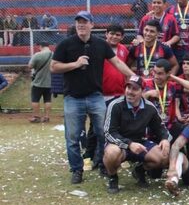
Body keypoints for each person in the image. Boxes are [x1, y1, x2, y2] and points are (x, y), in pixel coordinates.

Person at [50, 11, 135, 184]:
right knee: (72, 137)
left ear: (92, 25)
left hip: (96, 96)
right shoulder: (65, 44)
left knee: (105, 133)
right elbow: (54, 67)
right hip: (73, 97)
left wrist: (134, 78)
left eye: (84, 22)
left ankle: (106, 165)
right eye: (78, 22)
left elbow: (118, 63)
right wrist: (76, 64)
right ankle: (76, 169)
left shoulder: (100, 45)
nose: (81, 25)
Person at [103, 75, 171, 194]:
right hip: (119, 144)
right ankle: (113, 177)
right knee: (111, 153)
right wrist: (129, 144)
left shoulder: (150, 107)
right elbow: (109, 132)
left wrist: (165, 139)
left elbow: (161, 128)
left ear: (142, 91)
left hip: (140, 142)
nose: (129, 92)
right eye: (128, 87)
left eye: (134, 89)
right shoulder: (115, 105)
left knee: (164, 157)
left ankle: (140, 170)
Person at [83, 24, 131, 172]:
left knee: (115, 128)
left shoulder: (124, 50)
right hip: (100, 95)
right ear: (106, 34)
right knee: (95, 128)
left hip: (118, 95)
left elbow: (126, 67)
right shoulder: (99, 47)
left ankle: (112, 158)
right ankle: (88, 158)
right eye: (111, 34)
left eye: (118, 34)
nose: (114, 37)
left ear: (122, 37)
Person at [142, 59, 189, 140]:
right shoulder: (146, 84)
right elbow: (134, 102)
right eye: (155, 72)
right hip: (151, 127)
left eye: (160, 73)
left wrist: (172, 77)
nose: (156, 76)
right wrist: (147, 94)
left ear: (168, 73)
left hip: (169, 127)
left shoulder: (172, 86)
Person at [28, 41, 53, 123]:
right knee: (48, 100)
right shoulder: (54, 55)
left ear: (40, 46)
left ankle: (36, 117)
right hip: (50, 81)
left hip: (38, 81)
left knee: (35, 99)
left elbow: (30, 66)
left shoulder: (37, 55)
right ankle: (47, 117)